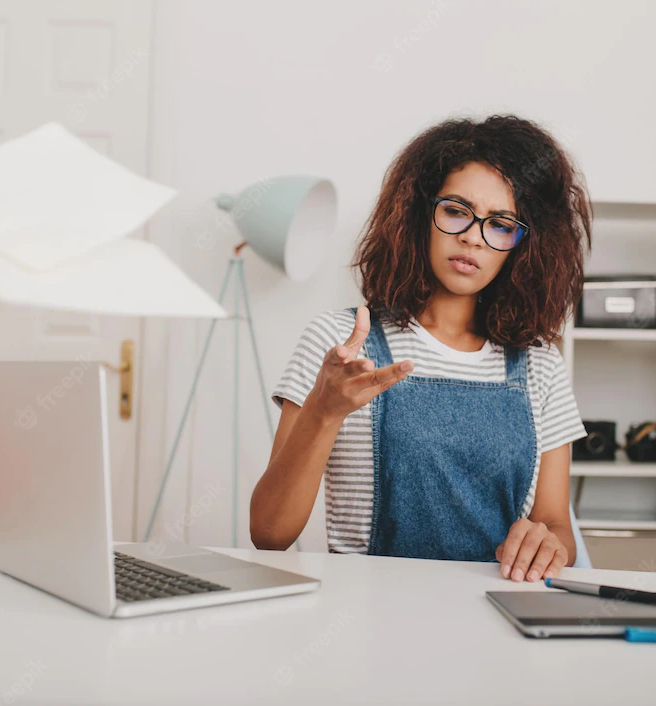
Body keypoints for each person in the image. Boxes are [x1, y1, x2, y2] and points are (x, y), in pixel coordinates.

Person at [251, 115, 592, 582]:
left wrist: (549, 545)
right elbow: (268, 533)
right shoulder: (338, 346)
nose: (473, 235)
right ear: (418, 214)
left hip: (494, 622)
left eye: (500, 223)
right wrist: (323, 411)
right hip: (363, 619)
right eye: (456, 210)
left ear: (523, 246)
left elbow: (556, 526)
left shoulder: (541, 368)